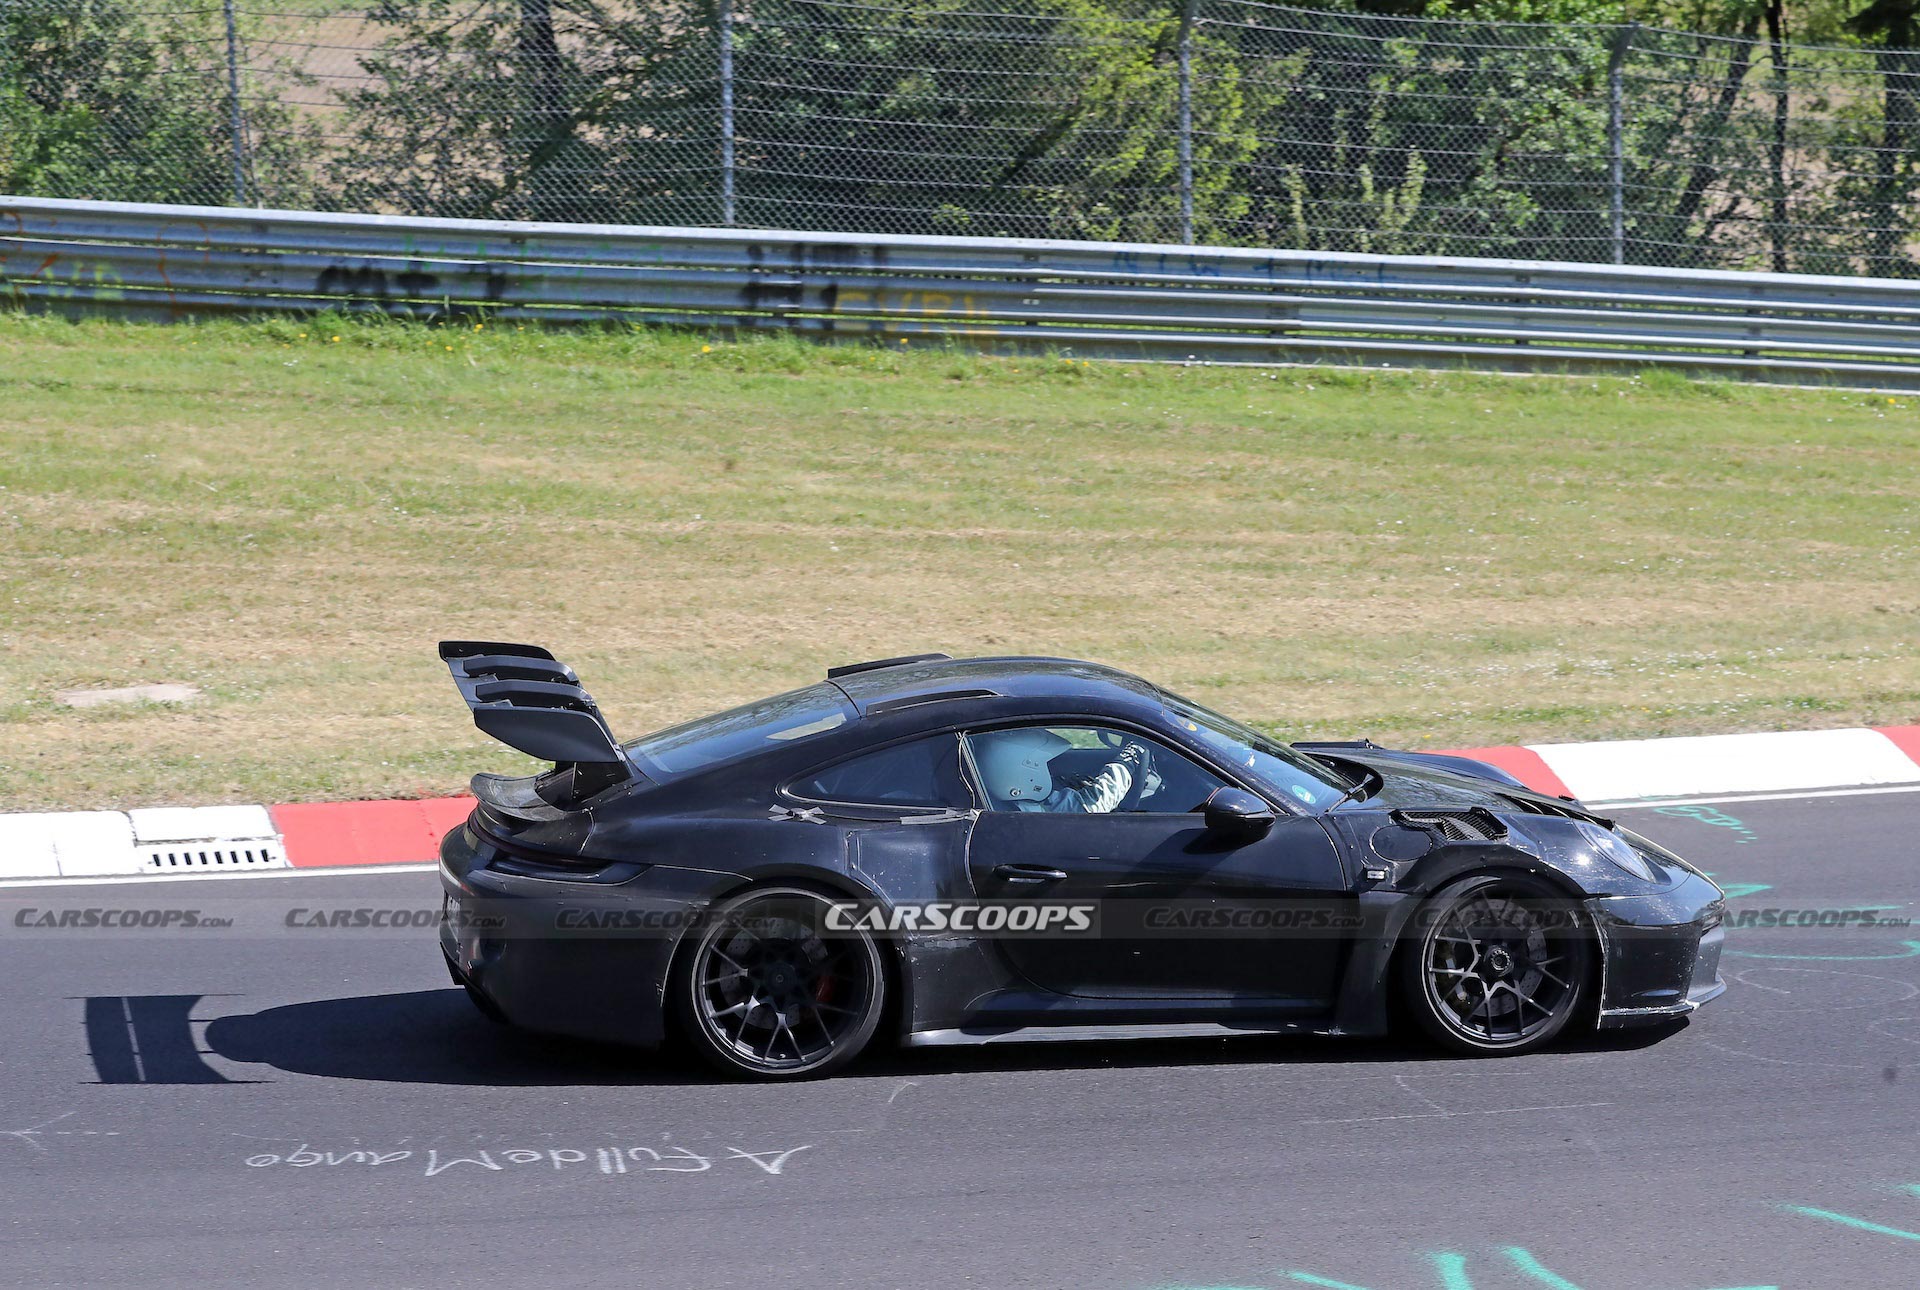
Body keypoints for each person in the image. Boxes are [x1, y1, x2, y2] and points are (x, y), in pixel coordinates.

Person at [974, 728, 1153, 813]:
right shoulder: (1041, 810)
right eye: (1043, 765)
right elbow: (1100, 801)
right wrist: (1129, 759)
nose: (1049, 769)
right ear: (1024, 775)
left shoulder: (1013, 803)